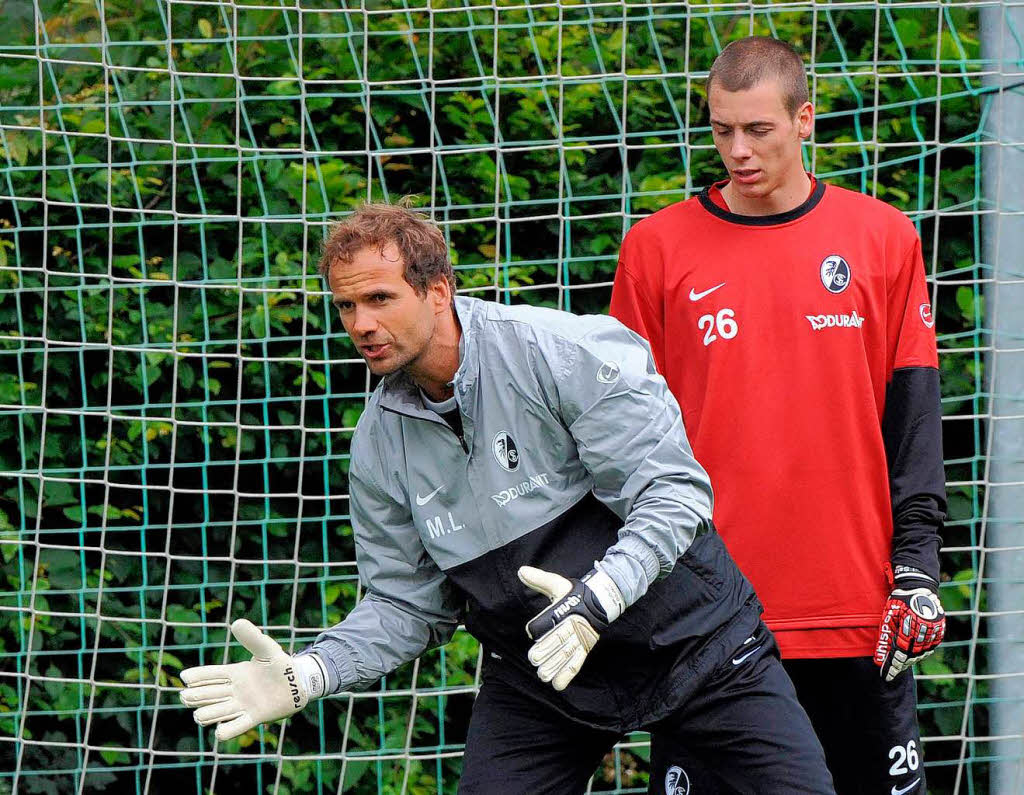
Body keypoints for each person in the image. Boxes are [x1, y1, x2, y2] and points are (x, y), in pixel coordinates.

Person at [178, 203, 835, 794]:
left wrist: (596, 599)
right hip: (541, 680)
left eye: (379, 298)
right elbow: (409, 603)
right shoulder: (377, 446)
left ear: (438, 290)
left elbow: (672, 493)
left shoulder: (560, 353)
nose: (362, 324)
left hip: (694, 646)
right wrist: (311, 673)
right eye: (347, 306)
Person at [610, 36, 946, 795]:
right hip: (709, 618)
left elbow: (913, 417)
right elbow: (625, 443)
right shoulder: (655, 250)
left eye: (757, 129)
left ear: (805, 121)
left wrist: (916, 565)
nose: (736, 150)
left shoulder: (882, 237)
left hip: (855, 612)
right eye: (721, 128)